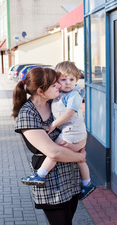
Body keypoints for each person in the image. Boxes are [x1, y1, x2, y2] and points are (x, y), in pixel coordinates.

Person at [13, 66, 86, 225]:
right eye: (54, 85)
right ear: (40, 90)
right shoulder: (27, 114)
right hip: (50, 181)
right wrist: (80, 156)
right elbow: (53, 152)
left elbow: (77, 129)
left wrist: (80, 143)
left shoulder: (55, 104)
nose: (59, 87)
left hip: (70, 176)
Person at [21, 61, 96, 201]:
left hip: (72, 131)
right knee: (80, 159)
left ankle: (41, 174)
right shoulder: (57, 96)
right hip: (72, 132)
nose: (67, 83)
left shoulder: (73, 95)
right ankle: (87, 184)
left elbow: (69, 114)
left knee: (55, 149)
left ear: (77, 80)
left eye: (72, 79)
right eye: (62, 80)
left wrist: (53, 125)